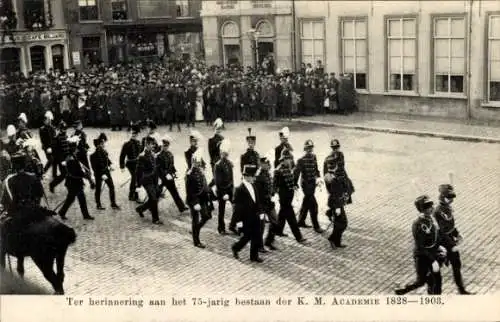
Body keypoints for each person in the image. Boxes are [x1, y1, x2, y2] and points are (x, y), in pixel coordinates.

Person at [394, 195, 446, 295]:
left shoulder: (431, 219)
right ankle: (402, 290)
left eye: (431, 206)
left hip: (433, 253)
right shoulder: (418, 224)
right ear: (421, 210)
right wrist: (433, 260)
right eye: (427, 207)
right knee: (421, 281)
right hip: (422, 256)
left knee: (437, 280)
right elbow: (421, 246)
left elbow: (435, 236)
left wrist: (439, 246)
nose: (431, 209)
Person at [433, 183, 474, 295]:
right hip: (442, 242)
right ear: (442, 197)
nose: (451, 200)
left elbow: (450, 225)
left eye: (452, 198)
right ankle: (433, 293)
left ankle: (461, 290)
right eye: (448, 197)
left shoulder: (447, 208)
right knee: (436, 268)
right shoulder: (437, 211)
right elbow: (442, 231)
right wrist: (452, 245)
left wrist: (457, 234)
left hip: (450, 240)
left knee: (456, 265)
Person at [0, 153, 47, 249]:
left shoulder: (9, 180)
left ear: (13, 166)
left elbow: (6, 200)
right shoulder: (33, 176)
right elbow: (40, 194)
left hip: (18, 212)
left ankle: (4, 253)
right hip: (34, 209)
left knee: (2, 231)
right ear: (25, 165)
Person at [271, 148, 307, 244]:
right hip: (284, 198)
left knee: (282, 215)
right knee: (291, 218)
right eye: (288, 159)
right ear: (283, 159)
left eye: (290, 158)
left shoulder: (288, 168)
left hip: (289, 196)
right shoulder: (278, 170)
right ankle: (299, 237)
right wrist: (273, 194)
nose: (290, 160)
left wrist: (294, 186)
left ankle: (278, 231)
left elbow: (291, 181)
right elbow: (274, 185)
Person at [231, 165, 264, 263]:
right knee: (247, 237)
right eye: (253, 176)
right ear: (246, 176)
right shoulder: (239, 189)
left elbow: (257, 201)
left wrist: (261, 211)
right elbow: (237, 209)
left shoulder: (253, 185)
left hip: (255, 216)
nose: (255, 178)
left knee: (257, 235)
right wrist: (239, 223)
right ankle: (235, 248)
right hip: (245, 218)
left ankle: (254, 256)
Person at [57, 135, 95, 221]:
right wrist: (86, 176)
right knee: (79, 198)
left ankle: (62, 212)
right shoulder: (71, 159)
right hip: (73, 183)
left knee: (71, 199)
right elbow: (77, 172)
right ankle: (85, 215)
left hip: (73, 182)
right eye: (76, 149)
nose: (77, 150)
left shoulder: (72, 157)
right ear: (74, 150)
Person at [294, 139, 323, 233]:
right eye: (308, 148)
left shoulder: (314, 157)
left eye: (311, 148)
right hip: (305, 185)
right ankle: (316, 226)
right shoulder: (301, 160)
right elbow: (296, 173)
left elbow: (316, 170)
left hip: (312, 183)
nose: (310, 150)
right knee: (314, 206)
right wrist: (294, 184)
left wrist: (318, 179)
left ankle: (300, 221)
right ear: (305, 149)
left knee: (306, 202)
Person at [185, 150, 212, 248]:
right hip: (194, 200)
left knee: (206, 216)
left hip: (202, 199)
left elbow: (204, 185)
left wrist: (210, 195)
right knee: (195, 220)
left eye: (199, 162)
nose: (198, 163)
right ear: (193, 162)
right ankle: (196, 241)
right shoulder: (190, 174)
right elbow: (189, 191)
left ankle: (195, 230)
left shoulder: (201, 171)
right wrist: (195, 203)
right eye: (196, 162)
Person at [135, 136, 163, 225]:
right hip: (146, 180)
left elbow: (155, 167)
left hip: (154, 179)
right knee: (154, 198)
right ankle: (155, 219)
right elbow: (138, 171)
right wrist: (138, 185)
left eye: (153, 144)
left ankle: (140, 209)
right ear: (147, 145)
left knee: (155, 196)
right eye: (151, 144)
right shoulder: (142, 156)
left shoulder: (152, 153)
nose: (153, 146)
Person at [157, 134, 188, 214]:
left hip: (169, 177)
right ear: (161, 146)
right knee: (156, 194)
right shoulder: (159, 156)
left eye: (167, 146)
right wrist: (165, 175)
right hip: (162, 178)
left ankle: (181, 207)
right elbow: (159, 168)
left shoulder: (170, 154)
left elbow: (172, 165)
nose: (165, 147)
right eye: (164, 146)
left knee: (174, 192)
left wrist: (175, 172)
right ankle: (144, 208)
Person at [255, 156, 279, 251]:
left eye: (268, 164)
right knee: (261, 225)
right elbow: (257, 192)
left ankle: (268, 241)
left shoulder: (268, 174)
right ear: (261, 164)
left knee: (275, 221)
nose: (268, 165)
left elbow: (271, 186)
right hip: (261, 205)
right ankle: (258, 245)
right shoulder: (258, 176)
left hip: (268, 202)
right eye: (265, 164)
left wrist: (273, 193)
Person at [90, 134, 120, 210]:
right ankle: (98, 204)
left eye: (103, 143)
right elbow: (95, 167)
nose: (104, 144)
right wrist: (102, 174)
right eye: (102, 143)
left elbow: (106, 159)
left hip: (106, 172)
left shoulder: (103, 151)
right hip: (99, 174)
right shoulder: (94, 155)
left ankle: (113, 203)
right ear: (98, 145)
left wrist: (110, 165)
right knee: (98, 189)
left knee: (111, 187)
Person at [324, 166, 349, 248]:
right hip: (336, 204)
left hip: (334, 203)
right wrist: (337, 207)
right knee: (343, 223)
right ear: (335, 167)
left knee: (338, 223)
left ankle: (337, 242)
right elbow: (335, 193)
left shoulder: (327, 175)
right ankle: (332, 238)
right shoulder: (334, 179)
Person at [323, 139, 354, 204]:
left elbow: (342, 167)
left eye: (337, 147)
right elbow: (326, 172)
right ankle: (334, 211)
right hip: (335, 181)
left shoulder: (341, 155)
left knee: (346, 193)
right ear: (332, 148)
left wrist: (346, 178)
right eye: (334, 148)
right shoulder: (328, 158)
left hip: (342, 178)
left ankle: (340, 210)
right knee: (335, 198)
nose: (336, 149)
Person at [213, 139, 234, 235]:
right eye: (223, 153)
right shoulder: (218, 165)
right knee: (221, 210)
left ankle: (233, 226)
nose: (224, 155)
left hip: (229, 189)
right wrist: (223, 193)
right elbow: (218, 182)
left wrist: (232, 189)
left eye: (226, 153)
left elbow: (231, 177)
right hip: (222, 191)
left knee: (236, 207)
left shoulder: (229, 163)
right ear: (220, 153)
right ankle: (220, 228)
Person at [119, 125, 142, 201]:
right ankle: (131, 195)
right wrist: (122, 166)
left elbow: (140, 152)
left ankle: (136, 195)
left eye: (135, 134)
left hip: (138, 163)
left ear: (137, 134)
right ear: (130, 134)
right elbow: (122, 156)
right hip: (130, 163)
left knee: (138, 179)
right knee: (134, 177)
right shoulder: (127, 144)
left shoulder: (139, 142)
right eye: (132, 133)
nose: (134, 135)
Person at [49, 121, 70, 193]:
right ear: (60, 129)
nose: (64, 130)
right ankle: (52, 184)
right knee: (64, 174)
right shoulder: (57, 138)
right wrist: (62, 161)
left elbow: (67, 148)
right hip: (61, 159)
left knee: (68, 173)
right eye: (63, 129)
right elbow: (57, 151)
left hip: (66, 158)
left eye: (65, 128)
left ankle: (69, 187)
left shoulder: (66, 136)